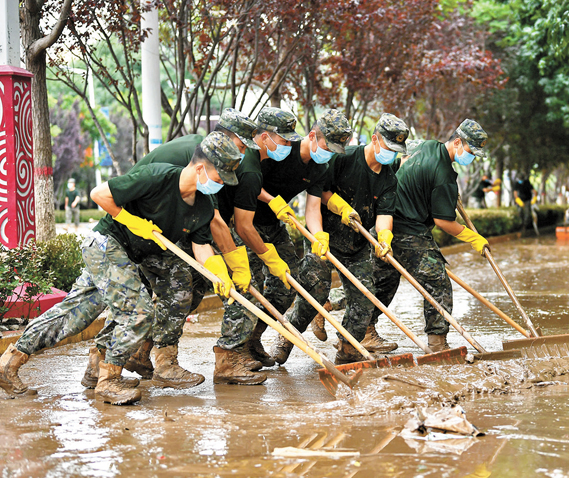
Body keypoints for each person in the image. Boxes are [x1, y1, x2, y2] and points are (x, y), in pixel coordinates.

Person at [0, 132, 242, 405]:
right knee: (139, 312)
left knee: (76, 313)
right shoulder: (158, 176)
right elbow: (99, 194)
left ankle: (9, 363)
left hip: (131, 255)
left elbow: (201, 247)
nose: (221, 185)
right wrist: (130, 220)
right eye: (220, 178)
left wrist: (218, 273)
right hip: (106, 245)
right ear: (200, 168)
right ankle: (109, 380)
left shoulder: (203, 204)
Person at [91, 109, 269, 390]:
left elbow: (207, 224)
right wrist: (234, 265)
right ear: (223, 138)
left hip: (167, 229)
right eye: (242, 144)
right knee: (135, 303)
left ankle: (147, 355)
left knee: (182, 290)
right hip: (134, 230)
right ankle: (102, 363)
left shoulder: (216, 165)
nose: (243, 153)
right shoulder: (196, 157)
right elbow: (217, 222)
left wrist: (223, 269)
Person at [275, 113, 409, 365]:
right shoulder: (344, 158)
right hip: (323, 235)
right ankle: (286, 338)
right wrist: (340, 207)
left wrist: (384, 237)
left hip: (356, 245)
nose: (391, 154)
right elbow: (320, 192)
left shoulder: (389, 176)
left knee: (365, 296)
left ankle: (348, 351)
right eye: (388, 147)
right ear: (375, 139)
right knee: (315, 291)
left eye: (396, 150)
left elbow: (384, 214)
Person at [239, 108, 351, 365]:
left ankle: (254, 339)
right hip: (246, 222)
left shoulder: (319, 168)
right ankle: (238, 351)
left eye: (335, 149)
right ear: (312, 136)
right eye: (328, 146)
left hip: (275, 225)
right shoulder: (279, 150)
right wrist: (271, 200)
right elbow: (247, 180)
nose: (330, 153)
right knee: (250, 285)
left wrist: (318, 235)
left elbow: (312, 209)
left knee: (287, 285)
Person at [368, 119, 490, 353]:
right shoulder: (443, 173)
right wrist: (474, 238)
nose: (471, 157)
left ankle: (348, 318)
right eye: (470, 151)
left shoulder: (421, 145)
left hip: (385, 223)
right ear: (457, 142)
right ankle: (437, 342)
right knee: (437, 281)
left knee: (380, 282)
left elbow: (398, 164)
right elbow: (443, 221)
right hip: (408, 231)